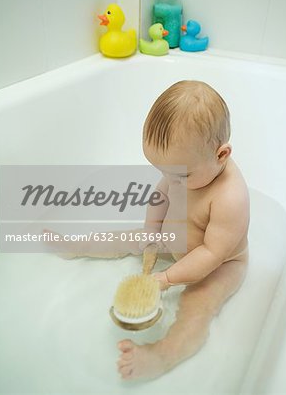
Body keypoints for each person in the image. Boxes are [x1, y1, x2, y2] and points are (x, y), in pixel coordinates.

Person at [45, 80, 250, 380]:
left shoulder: (230, 197)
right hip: (177, 241)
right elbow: (162, 196)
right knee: (128, 237)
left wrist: (166, 278)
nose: (169, 179)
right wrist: (151, 230)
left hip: (221, 265)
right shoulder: (181, 169)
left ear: (221, 155)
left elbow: (211, 254)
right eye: (162, 171)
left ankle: (163, 355)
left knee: (197, 306)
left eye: (178, 174)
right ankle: (77, 246)